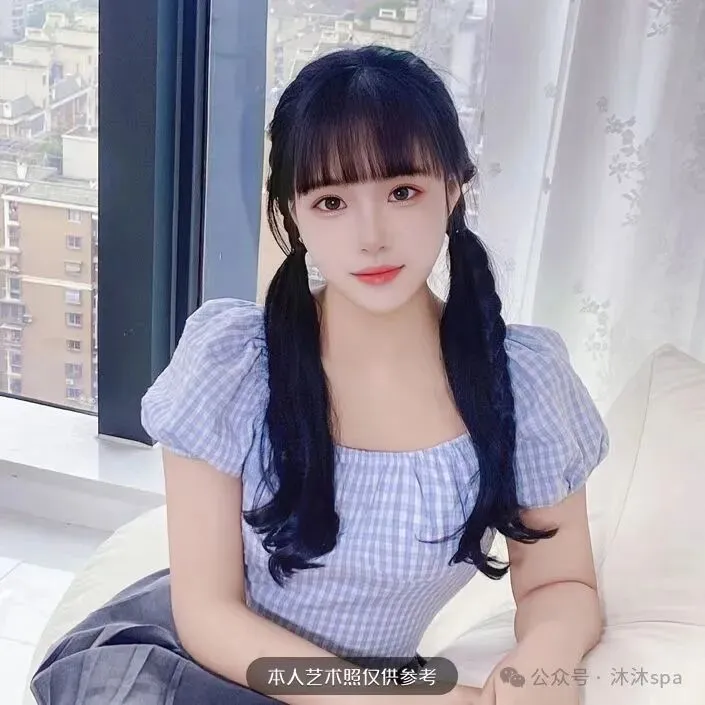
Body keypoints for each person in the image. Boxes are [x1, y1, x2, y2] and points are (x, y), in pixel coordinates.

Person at [31, 45, 609, 705]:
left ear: (453, 190)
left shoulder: (522, 384)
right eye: (331, 201)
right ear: (293, 215)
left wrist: (542, 660)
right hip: (195, 667)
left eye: (402, 191)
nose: (371, 235)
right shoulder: (235, 365)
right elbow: (208, 613)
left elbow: (560, 583)